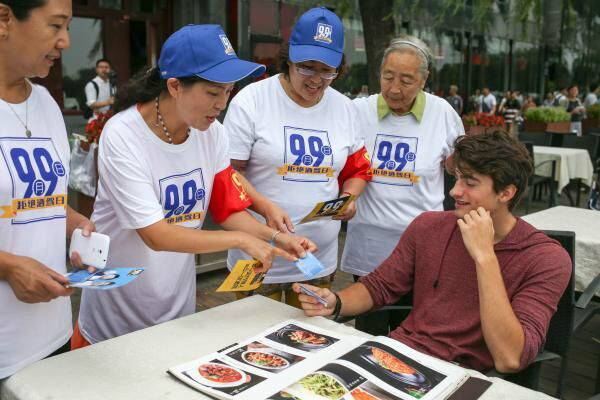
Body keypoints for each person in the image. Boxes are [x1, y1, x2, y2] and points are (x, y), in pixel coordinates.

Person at [73, 24, 316, 349]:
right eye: (213, 93)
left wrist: (277, 237)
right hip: (114, 317)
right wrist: (243, 239)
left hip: (176, 309)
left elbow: (228, 210)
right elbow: (157, 235)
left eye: (228, 92)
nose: (222, 104)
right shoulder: (123, 135)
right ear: (174, 86)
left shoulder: (212, 133)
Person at [294, 130, 571, 373]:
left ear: (506, 193)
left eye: (470, 183)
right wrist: (336, 302)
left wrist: (484, 255)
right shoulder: (429, 226)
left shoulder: (546, 259)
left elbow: (510, 358)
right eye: (457, 178)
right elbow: (379, 287)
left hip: (461, 376)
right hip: (393, 355)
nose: (455, 191)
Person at [224, 7, 371, 308]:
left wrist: (348, 198)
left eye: (327, 70)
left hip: (317, 260)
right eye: (307, 67)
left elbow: (359, 168)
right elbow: (226, 172)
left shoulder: (345, 109)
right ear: (288, 58)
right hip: (258, 254)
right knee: (249, 344)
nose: (316, 79)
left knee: (308, 342)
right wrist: (263, 205)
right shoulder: (252, 101)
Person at [340, 36, 464, 333]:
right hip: (370, 246)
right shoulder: (359, 111)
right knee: (367, 332)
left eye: (406, 80)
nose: (395, 88)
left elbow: (459, 164)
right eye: (388, 77)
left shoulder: (442, 112)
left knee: (411, 333)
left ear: (424, 79)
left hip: (422, 248)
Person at [0, 0, 96, 380]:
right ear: (4, 18)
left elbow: (38, 203)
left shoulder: (47, 104)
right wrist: (7, 266)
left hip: (52, 335)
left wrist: (75, 224)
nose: (67, 42)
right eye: (56, 26)